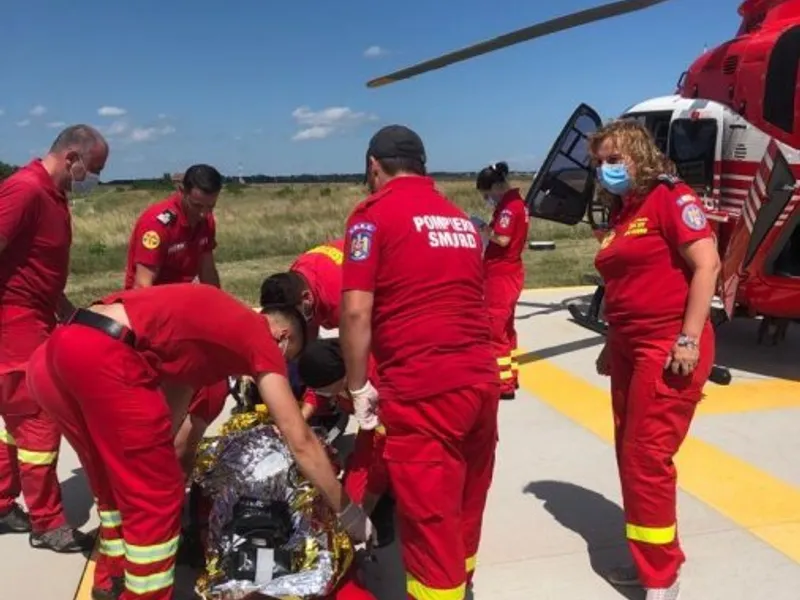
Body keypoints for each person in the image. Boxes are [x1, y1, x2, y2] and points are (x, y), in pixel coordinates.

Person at [26, 283, 374, 600]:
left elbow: (173, 408)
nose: (279, 368)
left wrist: (155, 454)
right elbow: (299, 439)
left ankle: (110, 580)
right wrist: (347, 511)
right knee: (158, 498)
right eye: (288, 355)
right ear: (282, 336)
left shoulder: (210, 334)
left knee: (111, 485)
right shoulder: (258, 337)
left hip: (56, 354)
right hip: (105, 357)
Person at [340, 124, 501, 600]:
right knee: (466, 507)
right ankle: (463, 584)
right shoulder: (457, 218)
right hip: (479, 382)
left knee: (430, 527)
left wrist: (356, 387)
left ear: (374, 166)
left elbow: (354, 311)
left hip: (423, 390)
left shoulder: (372, 216)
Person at [590, 120, 720, 600]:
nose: (606, 169)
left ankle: (662, 577)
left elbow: (707, 264)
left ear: (639, 156)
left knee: (647, 457)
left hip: (667, 344)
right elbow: (625, 284)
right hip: (628, 345)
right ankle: (651, 563)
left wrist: (687, 338)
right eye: (600, 161)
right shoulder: (626, 211)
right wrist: (611, 340)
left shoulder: (670, 197)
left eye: (614, 159)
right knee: (630, 453)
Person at [0, 124, 108, 553]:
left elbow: (33, 263)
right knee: (40, 423)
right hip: (15, 326)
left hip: (37, 316)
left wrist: (65, 310)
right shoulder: (25, 191)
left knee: (14, 423)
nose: (93, 178)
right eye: (93, 169)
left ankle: (3, 501)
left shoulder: (53, 195)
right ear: (71, 158)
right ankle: (47, 523)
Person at [122, 163, 227, 474]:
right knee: (157, 400)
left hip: (180, 314)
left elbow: (207, 271)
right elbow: (143, 287)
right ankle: (146, 462)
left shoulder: (205, 222)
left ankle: (172, 459)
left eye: (210, 207)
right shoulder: (158, 225)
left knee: (205, 385)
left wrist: (219, 314)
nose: (202, 213)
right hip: (149, 316)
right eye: (197, 206)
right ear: (181, 192)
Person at [296, 339, 394, 542]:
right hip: (369, 427)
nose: (323, 394)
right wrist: (297, 421)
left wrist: (363, 512)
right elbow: (316, 394)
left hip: (391, 430)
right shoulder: (335, 372)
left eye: (326, 389)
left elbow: (378, 454)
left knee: (377, 484)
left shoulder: (374, 385)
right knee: (349, 496)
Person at [475, 161, 530, 399]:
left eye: (488, 194)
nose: (488, 198)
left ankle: (503, 384)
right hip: (510, 271)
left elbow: (503, 239)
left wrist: (482, 229)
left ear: (497, 186)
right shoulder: (517, 203)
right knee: (506, 329)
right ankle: (511, 375)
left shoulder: (509, 207)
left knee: (495, 328)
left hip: (501, 274)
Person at [259, 237, 346, 340]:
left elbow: (361, 337)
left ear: (307, 298)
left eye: (291, 318)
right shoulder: (299, 274)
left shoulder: (341, 300)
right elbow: (308, 329)